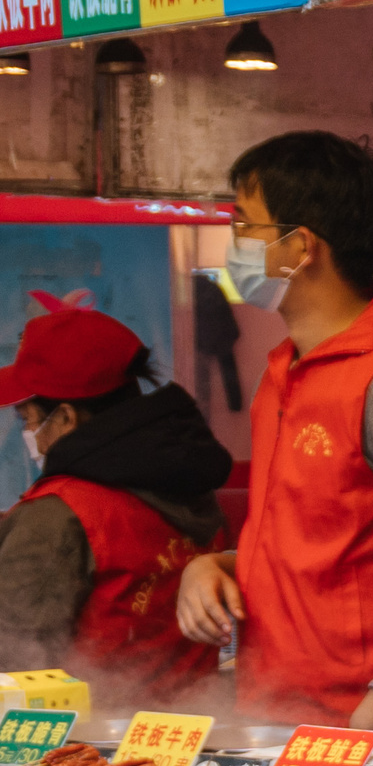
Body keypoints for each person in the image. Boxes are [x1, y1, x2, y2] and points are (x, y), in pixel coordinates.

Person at [175, 132, 373, 730]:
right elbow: (312, 548)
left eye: (242, 224)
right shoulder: (282, 372)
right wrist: (217, 566)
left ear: (300, 247)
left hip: (360, 734)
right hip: (274, 721)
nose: (232, 244)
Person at [0, 296, 234, 703]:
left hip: (88, 747)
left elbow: (14, 658)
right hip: (194, 729)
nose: (27, 434)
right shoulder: (191, 484)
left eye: (28, 419)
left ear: (67, 419)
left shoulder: (58, 515)